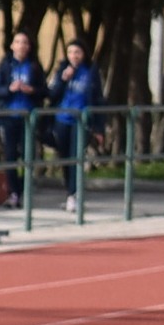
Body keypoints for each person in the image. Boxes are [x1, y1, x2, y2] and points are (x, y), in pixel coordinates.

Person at [0, 30, 44, 207]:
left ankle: (23, 189)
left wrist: (31, 90)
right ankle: (13, 193)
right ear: (12, 46)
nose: (21, 46)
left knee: (29, 156)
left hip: (28, 117)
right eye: (18, 42)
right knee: (10, 155)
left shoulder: (34, 66)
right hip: (8, 117)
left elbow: (44, 91)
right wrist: (9, 89)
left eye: (25, 42)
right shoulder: (5, 65)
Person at [47, 38, 104, 211]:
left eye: (77, 52)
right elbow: (52, 95)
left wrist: (99, 127)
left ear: (84, 54)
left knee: (76, 156)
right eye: (70, 52)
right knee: (66, 158)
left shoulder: (91, 72)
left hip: (81, 121)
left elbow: (98, 99)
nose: (74, 56)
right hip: (62, 120)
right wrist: (63, 79)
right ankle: (69, 192)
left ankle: (74, 194)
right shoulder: (62, 70)